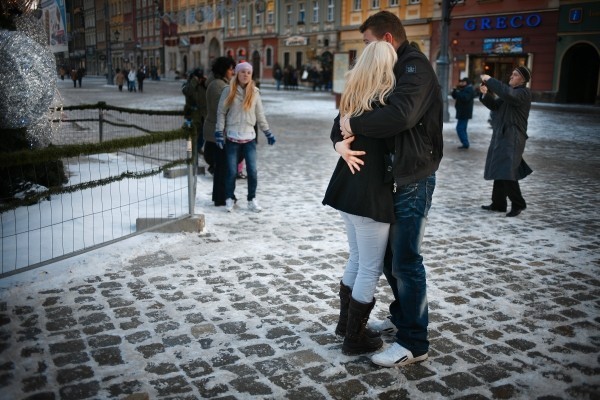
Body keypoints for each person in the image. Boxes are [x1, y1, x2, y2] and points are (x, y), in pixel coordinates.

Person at [336, 10, 443, 368]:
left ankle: (414, 341)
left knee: (406, 260)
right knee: (388, 259)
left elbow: (400, 117)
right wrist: (340, 138)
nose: (364, 50)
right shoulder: (387, 70)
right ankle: (402, 319)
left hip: (413, 176)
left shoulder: (415, 68)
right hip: (390, 180)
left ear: (385, 40)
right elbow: (344, 118)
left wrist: (352, 122)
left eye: (367, 42)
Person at [322, 41, 398, 356]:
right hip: (370, 194)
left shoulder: (353, 98)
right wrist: (340, 144)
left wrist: (339, 144)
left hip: (347, 189)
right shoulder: (388, 102)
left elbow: (336, 132)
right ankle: (355, 336)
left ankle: (345, 324)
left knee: (356, 258)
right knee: (370, 266)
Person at [215, 61, 276, 213]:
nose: (245, 75)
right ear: (237, 73)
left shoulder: (254, 92)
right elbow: (221, 113)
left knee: (253, 171)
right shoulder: (228, 90)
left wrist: (267, 132)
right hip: (232, 137)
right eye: (242, 72)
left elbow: (260, 115)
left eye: (248, 72)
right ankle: (229, 198)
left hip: (249, 138)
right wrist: (218, 133)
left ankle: (251, 199)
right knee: (231, 171)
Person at [479, 66, 533, 217]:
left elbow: (506, 93)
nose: (511, 76)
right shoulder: (510, 94)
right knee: (499, 168)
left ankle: (518, 204)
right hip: (503, 135)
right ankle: (498, 203)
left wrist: (490, 80)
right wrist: (485, 95)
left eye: (515, 75)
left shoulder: (523, 93)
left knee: (507, 170)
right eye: (512, 74)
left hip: (514, 137)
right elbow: (495, 106)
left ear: (522, 80)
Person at [203, 56, 236, 206]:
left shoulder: (220, 83)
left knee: (223, 166)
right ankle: (221, 197)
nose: (233, 72)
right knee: (223, 166)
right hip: (218, 132)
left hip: (218, 131)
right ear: (223, 70)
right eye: (230, 69)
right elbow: (222, 109)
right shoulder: (218, 85)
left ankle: (222, 195)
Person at [183, 68, 208, 160]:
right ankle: (191, 157)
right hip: (192, 116)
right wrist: (194, 81)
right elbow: (187, 91)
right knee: (191, 138)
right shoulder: (189, 85)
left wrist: (205, 81)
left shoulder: (203, 85)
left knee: (203, 136)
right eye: (198, 77)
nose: (199, 79)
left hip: (203, 115)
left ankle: (197, 149)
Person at [451, 77, 475, 149]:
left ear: (466, 83)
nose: (461, 83)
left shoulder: (469, 89)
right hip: (462, 112)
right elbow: (455, 96)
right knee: (463, 128)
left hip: (464, 112)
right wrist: (455, 90)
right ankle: (465, 143)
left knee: (460, 128)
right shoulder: (464, 89)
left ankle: (465, 143)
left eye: (463, 82)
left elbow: (465, 98)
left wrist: (458, 93)